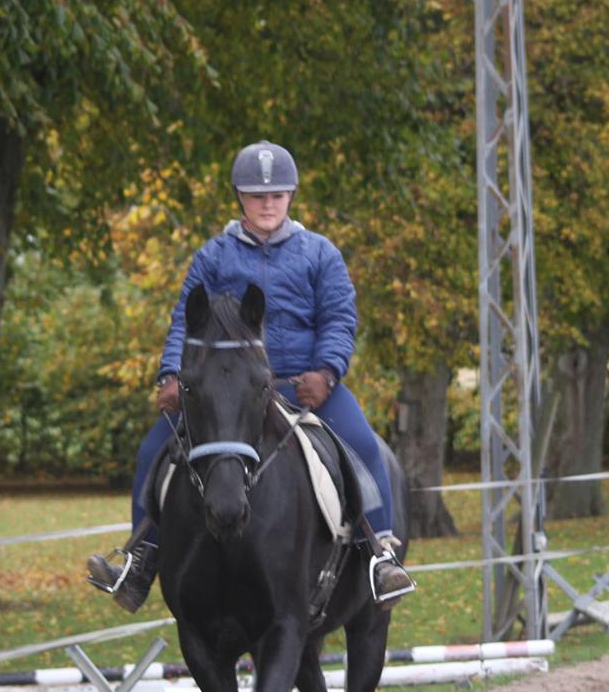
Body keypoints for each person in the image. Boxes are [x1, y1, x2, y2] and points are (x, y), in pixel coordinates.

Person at [87, 140, 414, 612]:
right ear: (240, 197)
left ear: (291, 197)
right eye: (258, 195)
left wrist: (326, 372)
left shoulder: (321, 255)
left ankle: (380, 556)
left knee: (362, 446)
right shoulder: (213, 257)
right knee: (151, 450)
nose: (268, 203)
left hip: (306, 387)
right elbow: (186, 319)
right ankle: (140, 561)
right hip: (229, 391)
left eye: (277, 195)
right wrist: (172, 375)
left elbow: (340, 319)